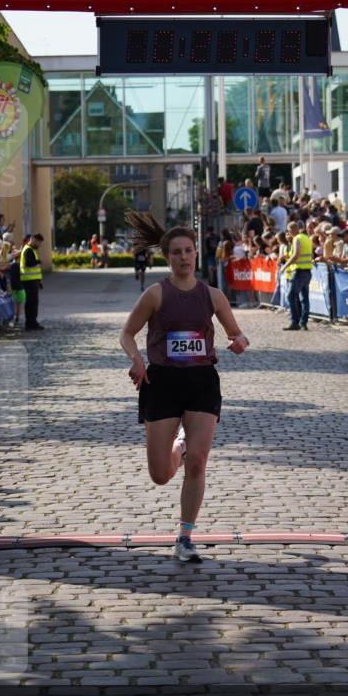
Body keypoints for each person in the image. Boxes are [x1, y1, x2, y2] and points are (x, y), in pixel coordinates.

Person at [119, 212, 249, 563]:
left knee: (199, 463)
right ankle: (179, 446)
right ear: (167, 258)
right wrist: (136, 359)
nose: (184, 257)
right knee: (161, 474)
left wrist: (239, 340)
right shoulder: (155, 295)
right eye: (176, 252)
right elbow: (127, 333)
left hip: (201, 382)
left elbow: (235, 333)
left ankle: (185, 536)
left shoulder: (212, 296)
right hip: (161, 382)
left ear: (196, 254)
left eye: (189, 251)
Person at [282, 221, 313, 330]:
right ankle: (303, 322)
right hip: (308, 271)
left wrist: (284, 266)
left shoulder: (297, 238)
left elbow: (296, 254)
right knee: (304, 298)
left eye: (289, 231)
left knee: (291, 296)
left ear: (292, 230)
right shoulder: (306, 238)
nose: (288, 233)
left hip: (299, 271)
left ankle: (295, 322)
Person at [20, 233, 45, 330]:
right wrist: (39, 262)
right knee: (31, 303)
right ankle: (31, 323)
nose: (39, 245)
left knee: (33, 302)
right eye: (39, 242)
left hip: (32, 280)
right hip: (29, 280)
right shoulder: (28, 250)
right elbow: (28, 263)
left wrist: (39, 281)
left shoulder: (31, 250)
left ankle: (32, 322)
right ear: (33, 240)